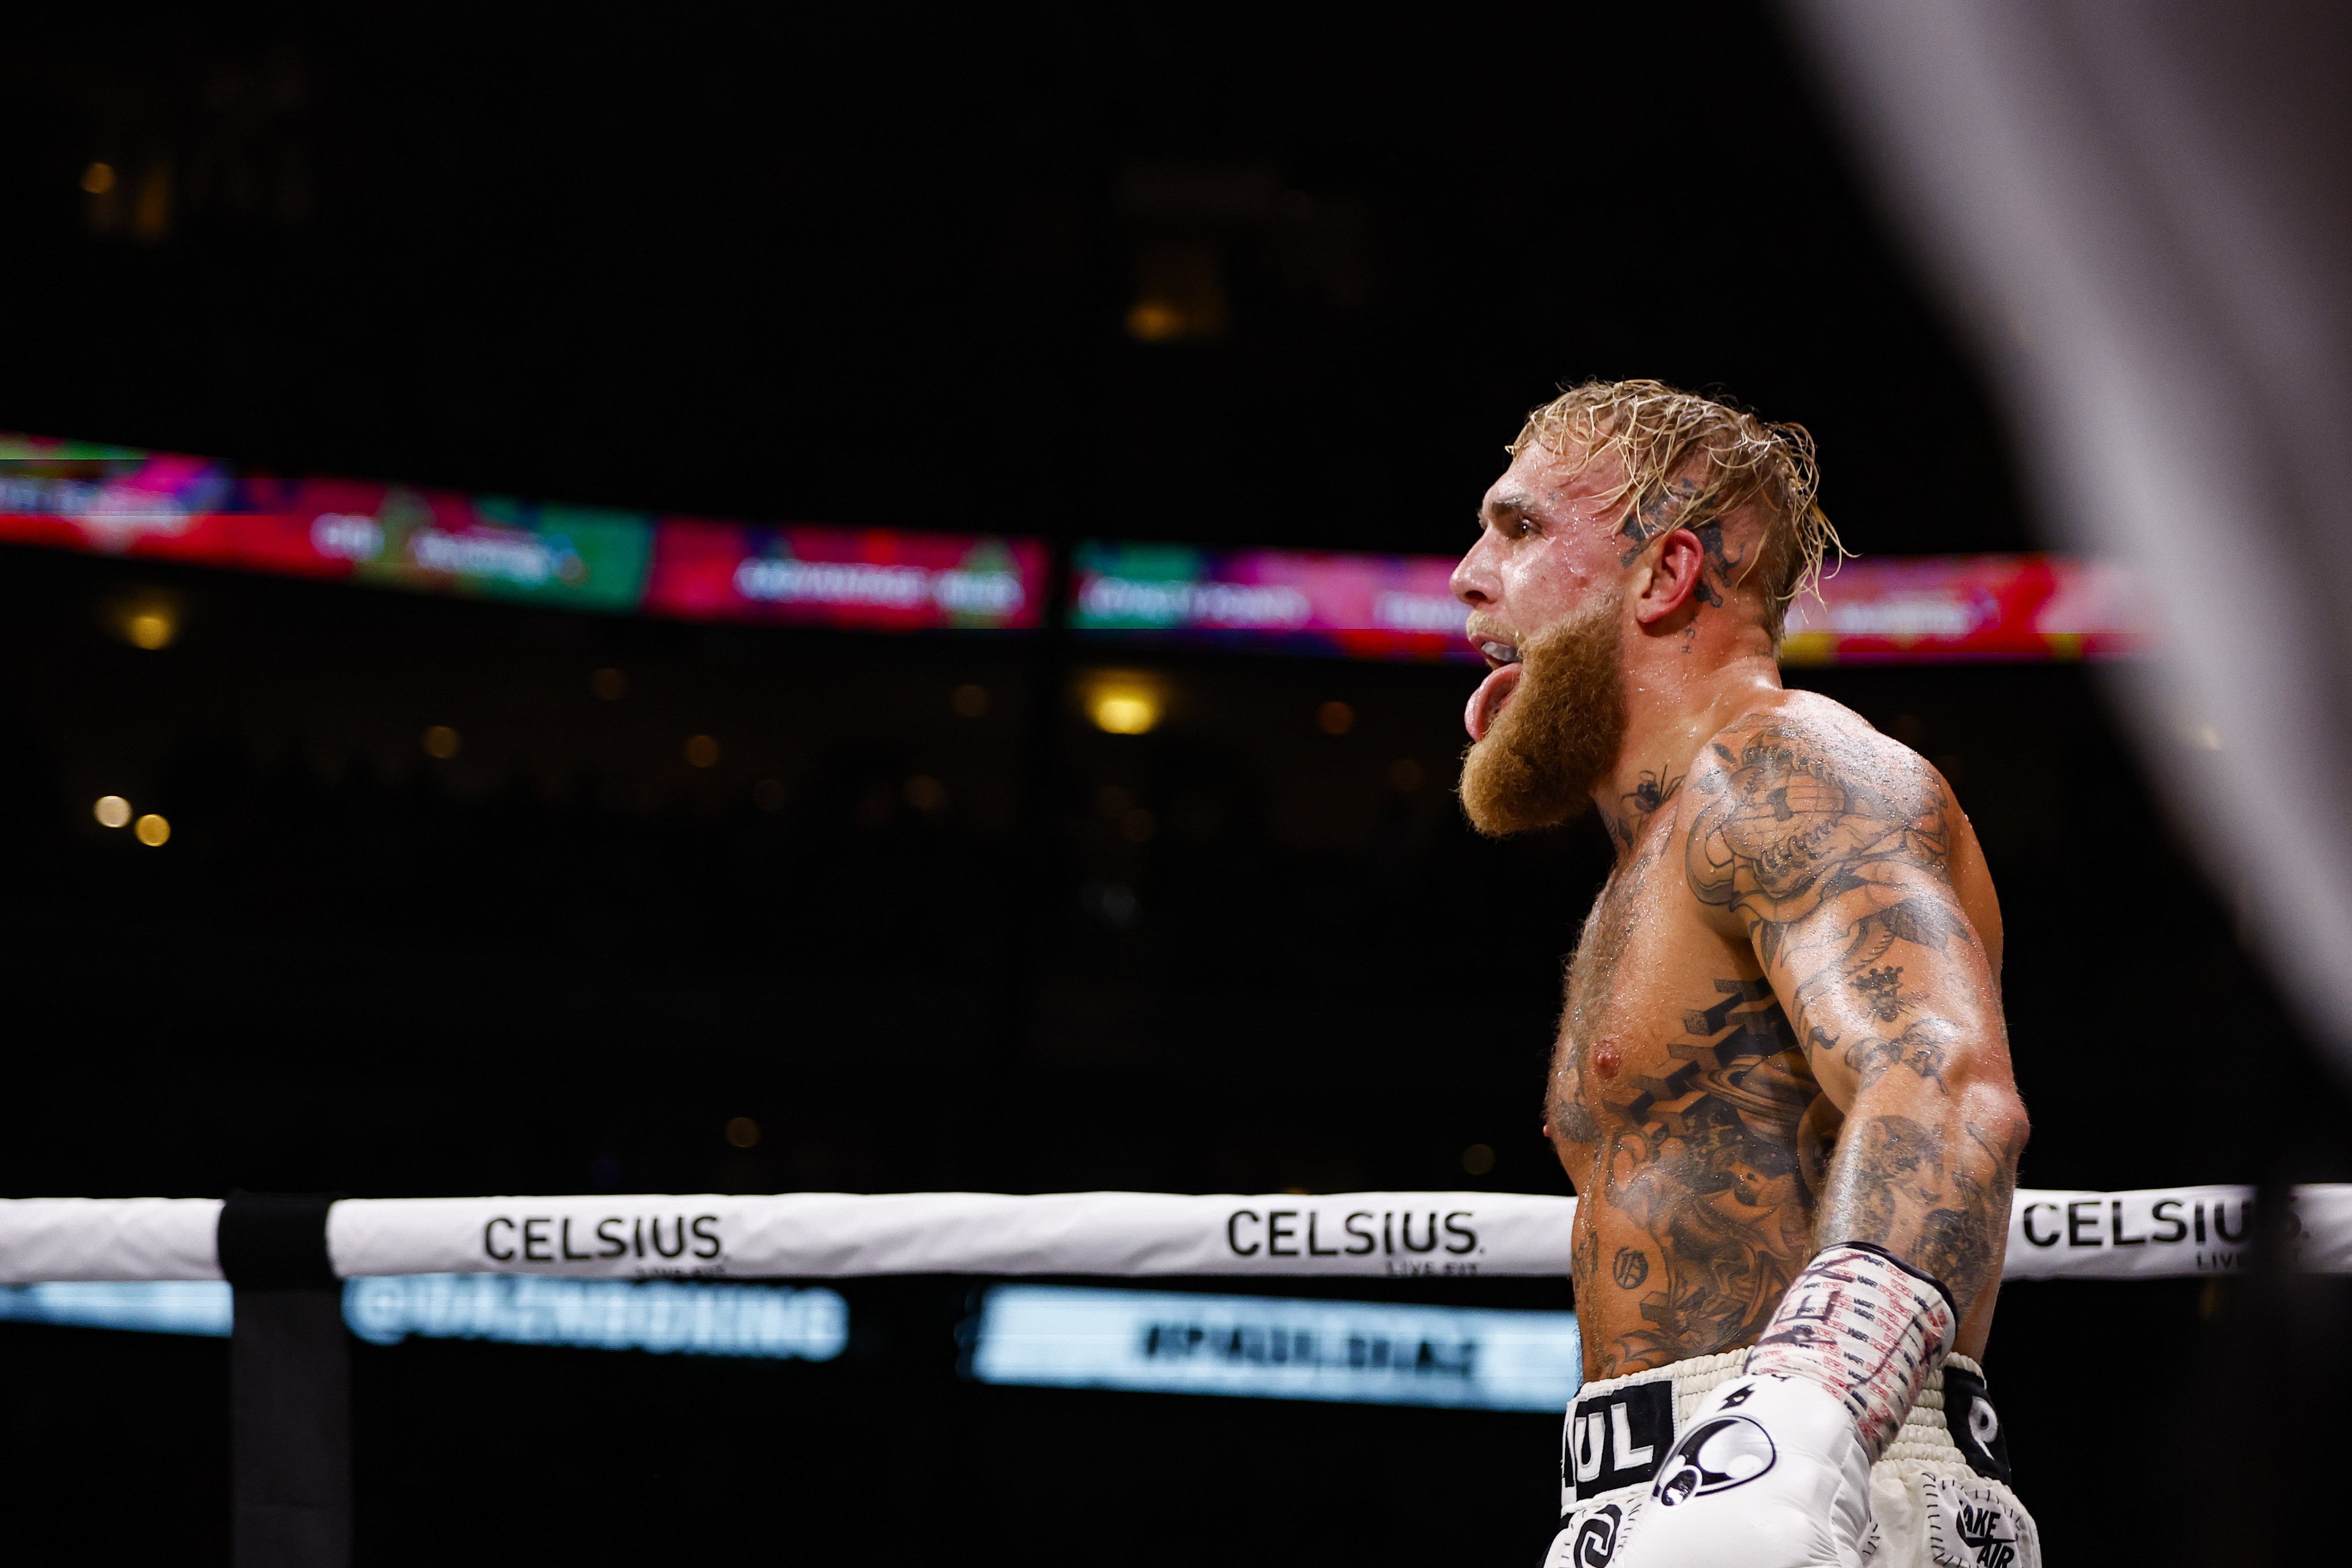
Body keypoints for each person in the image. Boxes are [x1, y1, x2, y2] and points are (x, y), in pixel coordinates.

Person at [1450, 381, 2036, 1567]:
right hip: (1675, 1483)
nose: (1467, 573)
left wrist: (1799, 1418)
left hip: (1818, 1475)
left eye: (1517, 528)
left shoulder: (1783, 767)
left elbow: (1942, 1084)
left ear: (1664, 577)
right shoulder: (1662, 850)